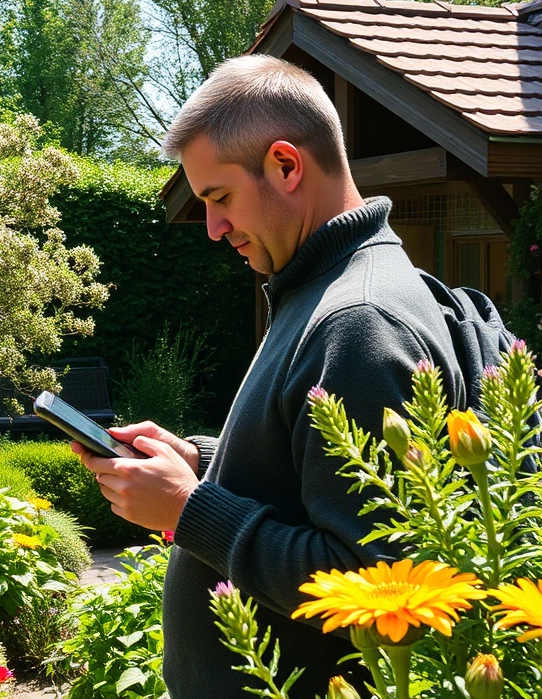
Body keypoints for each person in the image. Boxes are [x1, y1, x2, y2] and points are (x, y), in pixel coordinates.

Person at [72, 54, 469, 697]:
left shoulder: (358, 321)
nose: (212, 227)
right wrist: (206, 462)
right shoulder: (316, 287)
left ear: (286, 166)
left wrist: (189, 508)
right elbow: (306, 478)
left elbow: (377, 587)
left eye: (219, 196)